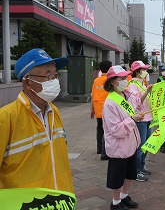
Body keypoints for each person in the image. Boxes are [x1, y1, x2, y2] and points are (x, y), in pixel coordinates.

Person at [0, 48, 75, 207]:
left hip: (59, 201)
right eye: (48, 75)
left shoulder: (53, 111)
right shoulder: (6, 117)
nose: (54, 80)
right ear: (27, 82)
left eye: (55, 75)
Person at [102, 65, 143, 210]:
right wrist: (133, 120)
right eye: (122, 78)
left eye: (126, 77)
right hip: (119, 146)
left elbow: (135, 108)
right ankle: (115, 202)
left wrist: (136, 115)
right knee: (117, 177)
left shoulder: (125, 95)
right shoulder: (110, 103)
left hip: (130, 143)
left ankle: (124, 196)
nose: (126, 80)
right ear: (113, 81)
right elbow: (115, 130)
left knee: (130, 173)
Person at [127, 60, 153, 182]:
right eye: (143, 69)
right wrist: (147, 91)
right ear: (138, 71)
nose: (145, 71)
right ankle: (136, 171)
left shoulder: (142, 83)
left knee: (145, 145)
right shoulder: (132, 85)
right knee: (140, 146)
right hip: (140, 119)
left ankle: (141, 166)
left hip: (147, 118)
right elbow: (136, 103)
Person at [91, 60, 112, 160]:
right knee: (107, 130)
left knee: (100, 129)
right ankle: (105, 152)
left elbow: (93, 95)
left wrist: (92, 109)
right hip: (108, 110)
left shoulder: (96, 81)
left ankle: (99, 148)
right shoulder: (110, 80)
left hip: (98, 108)